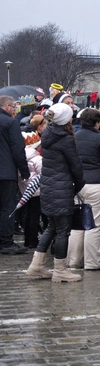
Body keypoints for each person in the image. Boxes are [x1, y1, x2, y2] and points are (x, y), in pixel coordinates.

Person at [25, 102, 85, 282]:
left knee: (51, 227)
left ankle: (37, 265)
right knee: (63, 231)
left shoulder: (48, 134)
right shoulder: (65, 139)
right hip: (62, 187)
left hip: (49, 186)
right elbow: (75, 165)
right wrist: (79, 184)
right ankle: (60, 270)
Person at [67, 108, 100, 271]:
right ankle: (93, 262)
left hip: (77, 185)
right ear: (97, 123)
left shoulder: (73, 137)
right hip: (97, 183)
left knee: (77, 225)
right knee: (94, 225)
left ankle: (74, 260)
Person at [1, 95, 30, 255]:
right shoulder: (10, 122)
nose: (14, 110)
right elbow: (17, 149)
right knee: (7, 208)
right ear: (7, 107)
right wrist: (24, 171)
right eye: (13, 107)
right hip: (6, 172)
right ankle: (6, 242)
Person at [19, 132, 43, 249]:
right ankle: (33, 240)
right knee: (35, 216)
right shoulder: (37, 158)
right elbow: (43, 174)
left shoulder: (23, 157)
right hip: (37, 190)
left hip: (25, 190)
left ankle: (27, 239)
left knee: (27, 215)